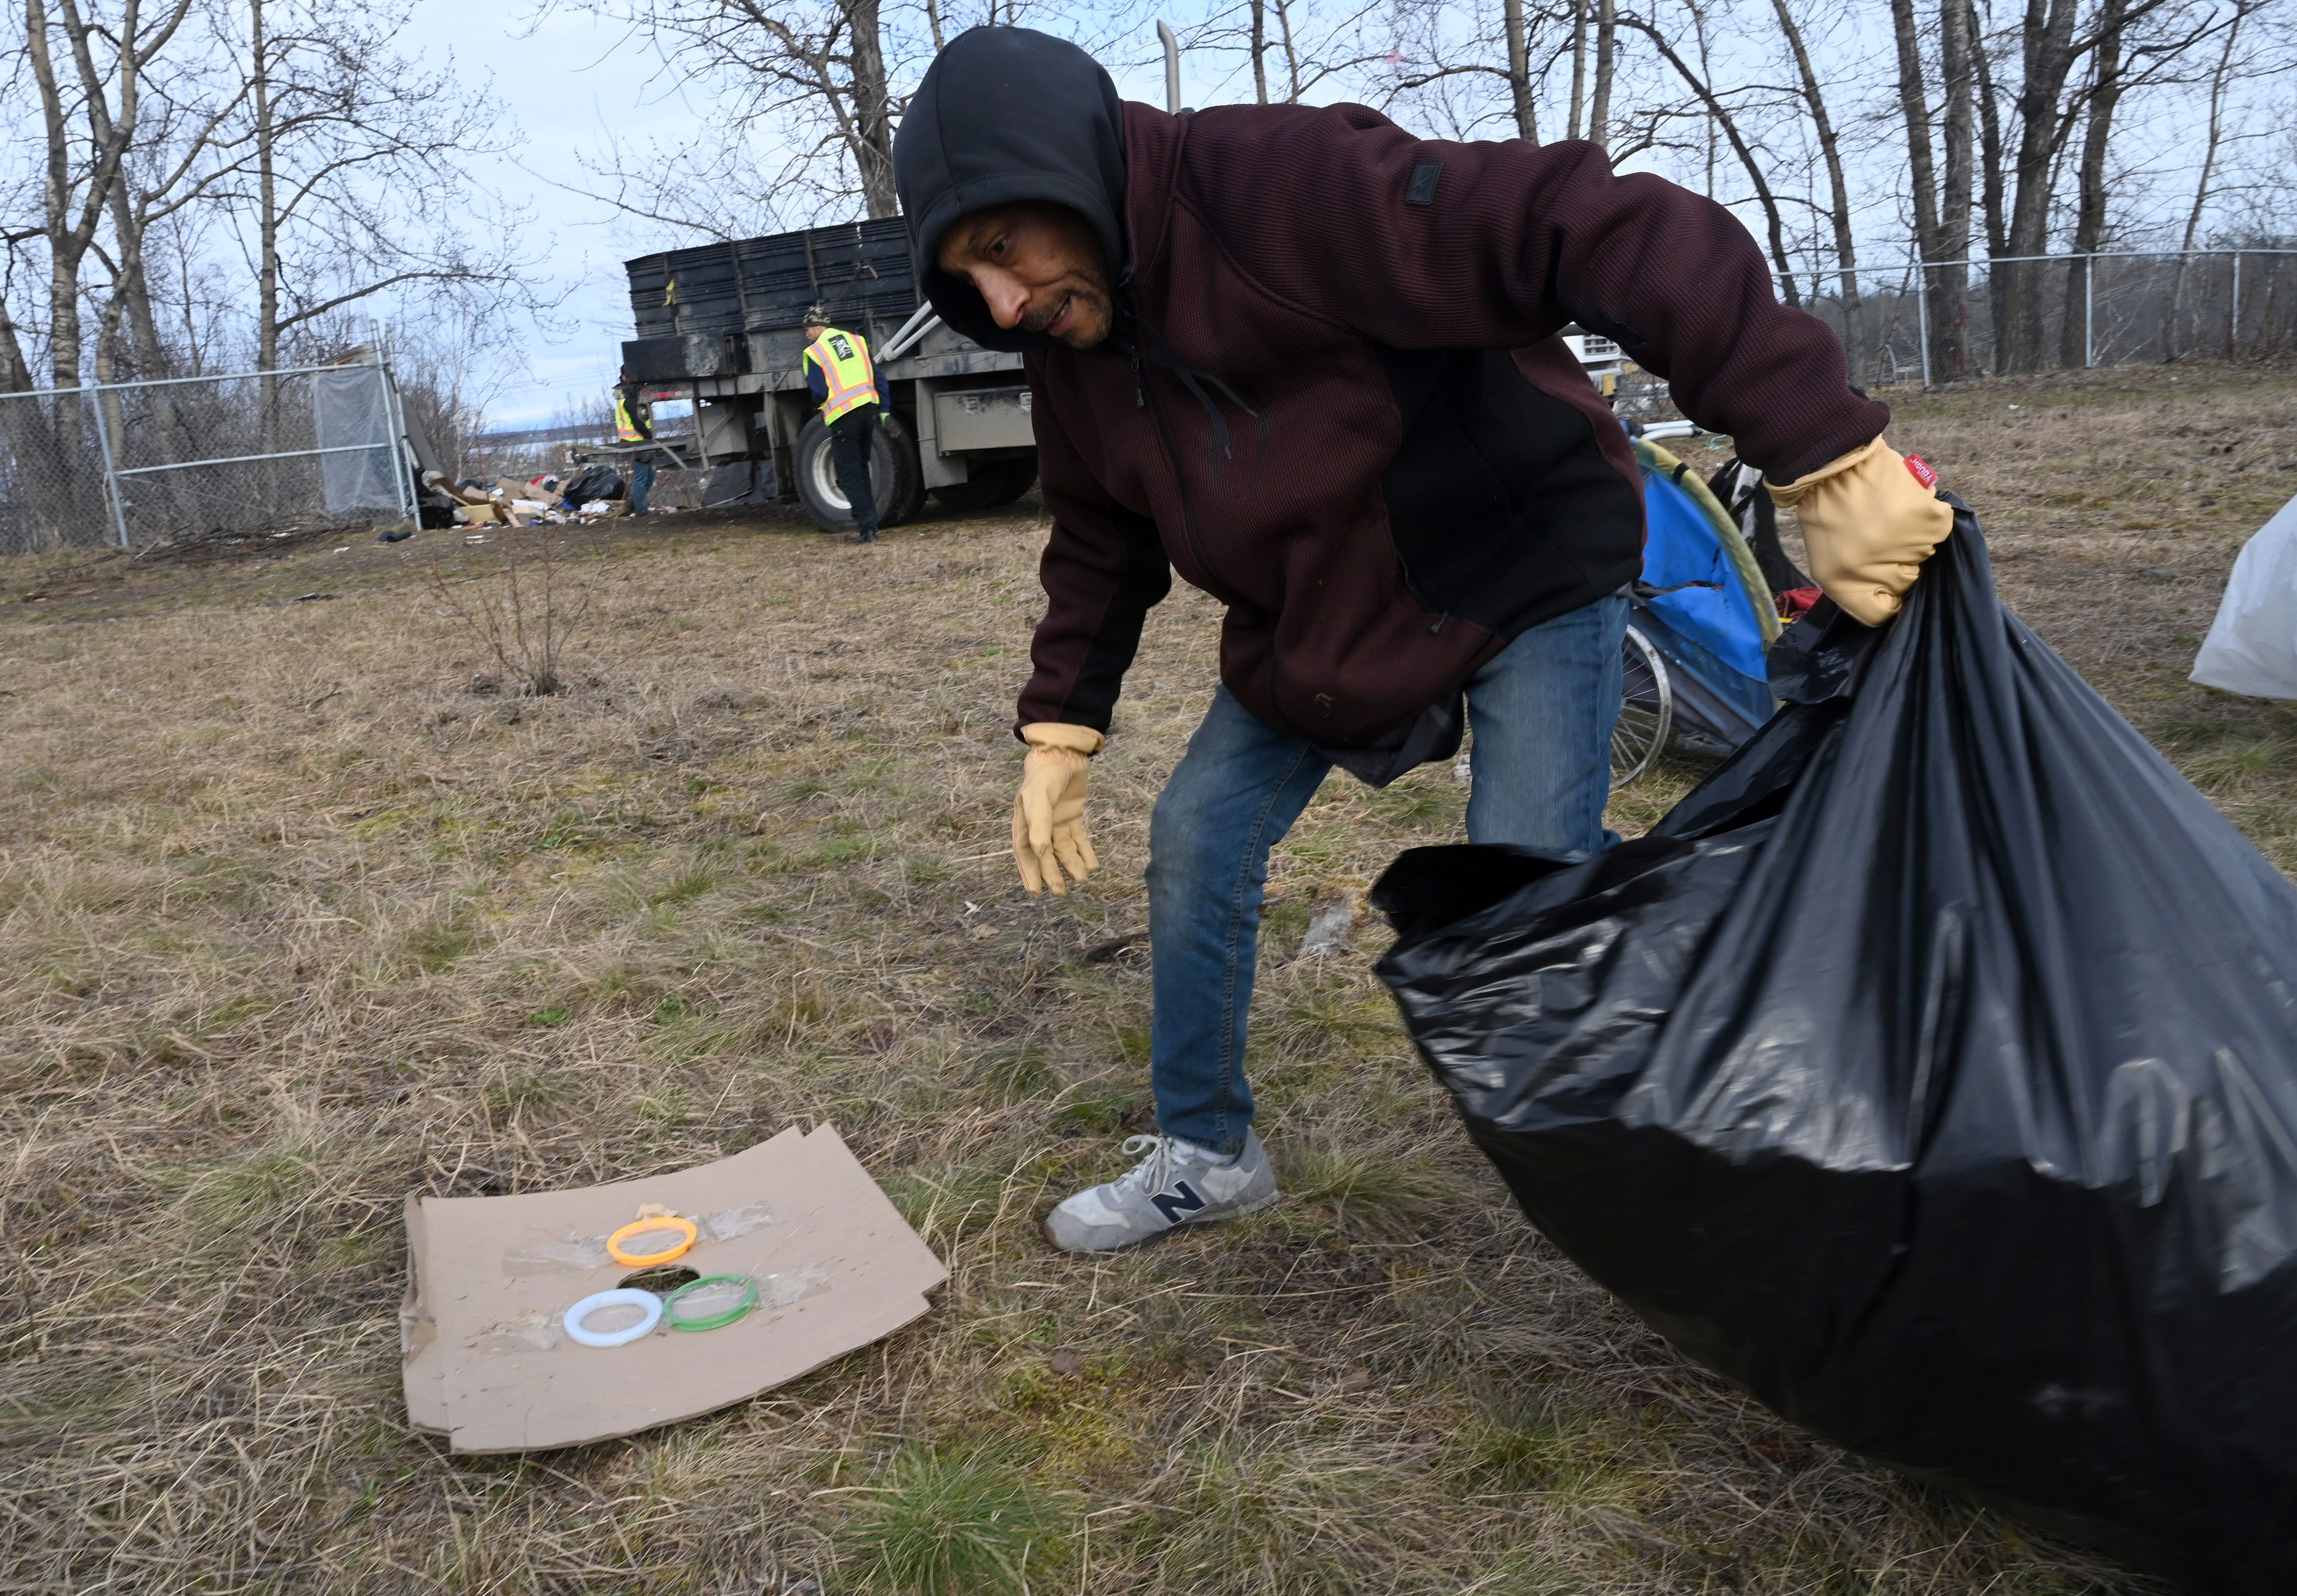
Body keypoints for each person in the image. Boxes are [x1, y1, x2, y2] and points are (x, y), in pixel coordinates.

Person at [892, 27, 1953, 1253]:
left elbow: (1592, 221)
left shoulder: (1284, 187)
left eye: (1002, 247)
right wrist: (1062, 724)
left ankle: (1630, 1164)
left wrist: (1817, 442)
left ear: (1065, 167)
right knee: (1195, 834)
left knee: (1519, 900)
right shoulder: (1070, 345)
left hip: (1515, 568)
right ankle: (1208, 1151)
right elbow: (1096, 537)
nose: (1003, 300)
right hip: (1325, 615)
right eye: (972, 282)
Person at [802, 305, 883, 543]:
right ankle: (871, 526)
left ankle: (867, 528)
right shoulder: (856, 341)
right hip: (868, 408)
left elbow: (819, 392)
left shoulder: (815, 352)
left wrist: (819, 404)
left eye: (808, 329)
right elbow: (874, 372)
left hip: (843, 415)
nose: (806, 334)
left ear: (818, 327)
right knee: (860, 469)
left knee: (847, 476)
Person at [613, 372, 655, 516]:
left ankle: (633, 504)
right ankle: (641, 511)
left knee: (650, 475)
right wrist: (650, 435)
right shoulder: (629, 398)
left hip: (639, 441)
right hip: (635, 442)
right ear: (625, 377)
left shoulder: (627, 395)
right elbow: (638, 423)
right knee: (642, 477)